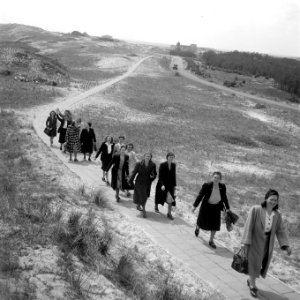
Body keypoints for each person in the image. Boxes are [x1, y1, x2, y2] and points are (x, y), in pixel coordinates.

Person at [241, 189, 291, 298]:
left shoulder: (277, 214)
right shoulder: (256, 209)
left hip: (267, 244)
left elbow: (281, 230)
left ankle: (251, 280)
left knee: (259, 264)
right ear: (266, 198)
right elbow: (248, 226)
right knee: (254, 263)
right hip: (254, 241)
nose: (273, 202)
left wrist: (286, 245)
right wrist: (245, 242)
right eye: (271, 199)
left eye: (275, 200)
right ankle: (253, 286)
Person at [192, 171, 230, 249]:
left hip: (216, 207)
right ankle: (197, 228)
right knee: (201, 221)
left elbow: (224, 198)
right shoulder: (207, 185)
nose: (216, 179)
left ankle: (211, 241)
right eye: (215, 177)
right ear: (212, 178)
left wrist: (227, 208)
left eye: (218, 178)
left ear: (220, 179)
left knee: (215, 225)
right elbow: (200, 195)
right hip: (206, 206)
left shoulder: (222, 187)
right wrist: (194, 206)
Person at [128, 152, 157, 218]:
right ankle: (143, 210)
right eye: (146, 156)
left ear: (150, 157)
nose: (147, 157)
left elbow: (155, 174)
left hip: (147, 182)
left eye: (149, 156)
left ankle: (139, 205)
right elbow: (134, 172)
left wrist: (152, 177)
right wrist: (130, 180)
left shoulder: (153, 165)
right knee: (141, 195)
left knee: (145, 195)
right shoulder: (139, 163)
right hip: (139, 181)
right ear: (144, 157)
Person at [154, 152, 177, 220]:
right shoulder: (162, 164)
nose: (171, 158)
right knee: (158, 196)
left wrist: (174, 186)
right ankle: (156, 206)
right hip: (162, 184)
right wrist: (162, 184)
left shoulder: (174, 165)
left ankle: (169, 213)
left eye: (172, 157)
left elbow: (174, 176)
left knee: (170, 199)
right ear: (167, 157)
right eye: (170, 157)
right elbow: (160, 176)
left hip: (170, 185)